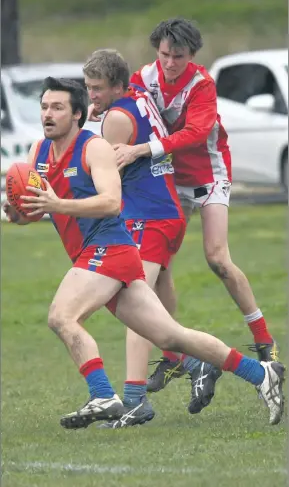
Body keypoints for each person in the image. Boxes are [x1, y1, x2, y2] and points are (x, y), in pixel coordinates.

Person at [5, 76, 285, 432]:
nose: (48, 114)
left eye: (57, 107)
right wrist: (21, 212)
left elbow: (111, 202)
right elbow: (43, 209)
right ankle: (260, 373)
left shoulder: (95, 148)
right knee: (171, 337)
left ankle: (103, 394)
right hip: (98, 256)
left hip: (110, 248)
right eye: (44, 107)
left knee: (62, 316)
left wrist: (57, 203)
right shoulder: (37, 154)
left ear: (77, 114)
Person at [95, 18, 279, 394]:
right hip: (170, 183)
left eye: (178, 56)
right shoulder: (145, 76)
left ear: (192, 55)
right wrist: (104, 110)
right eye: (164, 54)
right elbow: (126, 102)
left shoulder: (203, 85)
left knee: (217, 259)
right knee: (158, 269)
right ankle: (174, 355)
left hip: (208, 176)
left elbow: (196, 133)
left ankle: (264, 341)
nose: (169, 63)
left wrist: (141, 149)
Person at [83, 49, 222, 428]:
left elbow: (100, 174)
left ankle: (135, 398)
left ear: (115, 86)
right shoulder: (140, 97)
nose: (91, 95)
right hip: (167, 209)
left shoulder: (115, 118)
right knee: (159, 291)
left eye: (97, 88)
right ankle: (187, 362)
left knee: (134, 301)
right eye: (87, 88)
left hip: (148, 215)